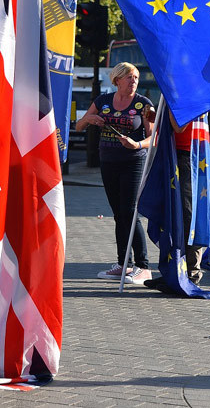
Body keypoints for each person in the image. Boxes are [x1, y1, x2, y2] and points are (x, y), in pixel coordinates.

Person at [74, 62, 154, 285]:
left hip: (133, 163)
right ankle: (123, 264)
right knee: (118, 214)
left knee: (129, 212)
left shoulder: (144, 104)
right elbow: (79, 126)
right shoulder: (103, 101)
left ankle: (144, 266)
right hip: (108, 162)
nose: (133, 81)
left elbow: (153, 136)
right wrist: (90, 119)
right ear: (117, 80)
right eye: (129, 77)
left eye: (136, 78)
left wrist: (137, 145)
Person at [169, 112, 209, 284]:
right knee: (175, 213)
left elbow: (179, 127)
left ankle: (191, 272)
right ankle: (174, 268)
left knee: (188, 214)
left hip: (190, 156)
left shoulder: (190, 95)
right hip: (177, 153)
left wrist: (170, 111)